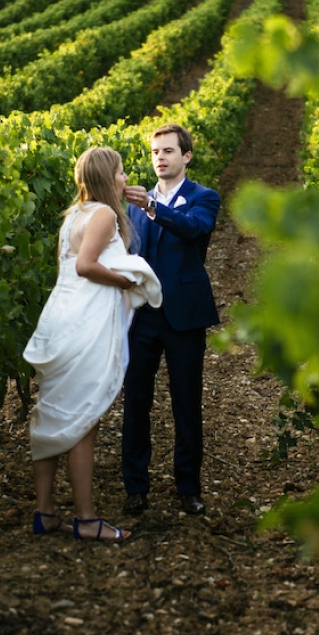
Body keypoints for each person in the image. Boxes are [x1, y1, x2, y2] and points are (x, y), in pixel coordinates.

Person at [23, 147, 162, 542]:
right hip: (84, 324)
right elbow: (86, 266)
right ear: (105, 177)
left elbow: (68, 271)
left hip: (62, 315)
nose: (124, 179)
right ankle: (86, 519)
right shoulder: (102, 214)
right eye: (120, 173)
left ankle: (45, 512)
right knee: (84, 420)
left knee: (53, 416)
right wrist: (128, 281)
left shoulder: (74, 216)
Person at [120, 123, 220, 517]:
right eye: (155, 152)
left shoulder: (204, 197)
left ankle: (188, 487)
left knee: (186, 403)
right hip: (143, 315)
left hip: (184, 315)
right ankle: (135, 487)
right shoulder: (134, 203)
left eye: (168, 151)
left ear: (186, 156)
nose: (160, 157)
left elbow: (195, 228)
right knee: (136, 402)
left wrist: (152, 208)